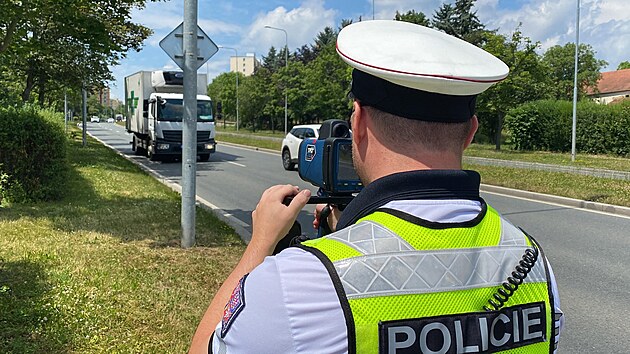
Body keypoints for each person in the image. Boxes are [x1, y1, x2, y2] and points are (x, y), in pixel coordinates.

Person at [189, 20, 563, 354]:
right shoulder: (534, 262)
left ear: (359, 121)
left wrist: (261, 244)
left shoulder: (299, 284)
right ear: (470, 134)